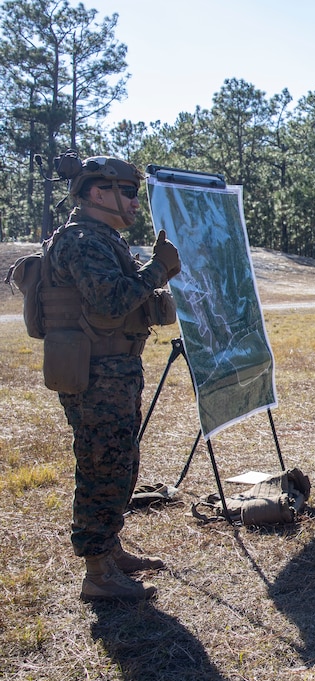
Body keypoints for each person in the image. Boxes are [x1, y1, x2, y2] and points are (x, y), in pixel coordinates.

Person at [47, 154, 182, 601]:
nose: (135, 203)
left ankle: (109, 551)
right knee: (101, 465)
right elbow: (109, 301)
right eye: (128, 192)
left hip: (114, 367)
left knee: (120, 461)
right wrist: (158, 269)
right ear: (96, 192)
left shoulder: (104, 240)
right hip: (94, 371)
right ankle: (97, 573)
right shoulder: (83, 240)